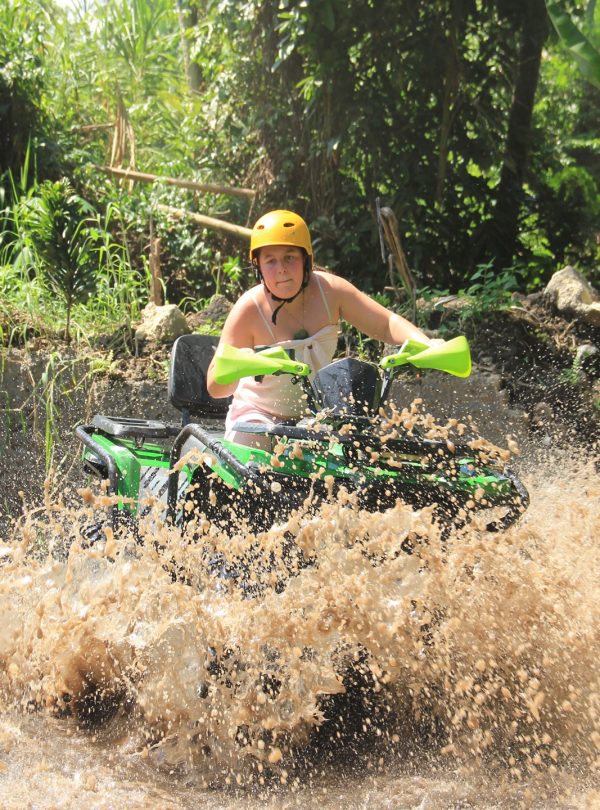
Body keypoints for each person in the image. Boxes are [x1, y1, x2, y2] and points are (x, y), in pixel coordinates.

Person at [206, 209, 436, 446]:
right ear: (259, 267)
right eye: (270, 260)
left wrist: (425, 345)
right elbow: (215, 386)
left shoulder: (331, 291)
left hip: (317, 418)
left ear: (307, 260)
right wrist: (239, 364)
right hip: (256, 416)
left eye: (289, 257)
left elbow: (386, 324)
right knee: (257, 448)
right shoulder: (249, 309)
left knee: (363, 452)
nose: (281, 269)